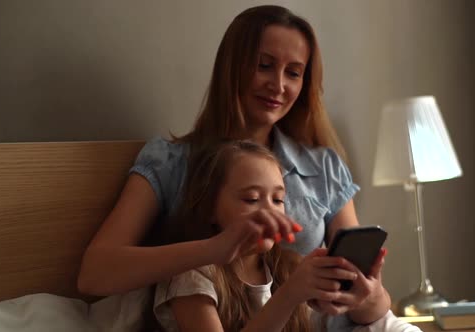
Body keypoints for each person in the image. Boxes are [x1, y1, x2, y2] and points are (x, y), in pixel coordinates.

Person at [78, 4, 391, 325]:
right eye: (264, 65)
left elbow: (371, 309)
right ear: (232, 67)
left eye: (294, 73)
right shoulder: (171, 162)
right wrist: (214, 249)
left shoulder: (323, 165)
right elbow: (95, 274)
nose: (279, 85)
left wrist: (367, 294)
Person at [153, 140, 419, 332]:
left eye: (278, 199)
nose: (269, 210)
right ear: (210, 207)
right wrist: (290, 294)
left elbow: (358, 318)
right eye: (252, 199)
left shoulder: (285, 266)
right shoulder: (193, 276)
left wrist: (354, 287)